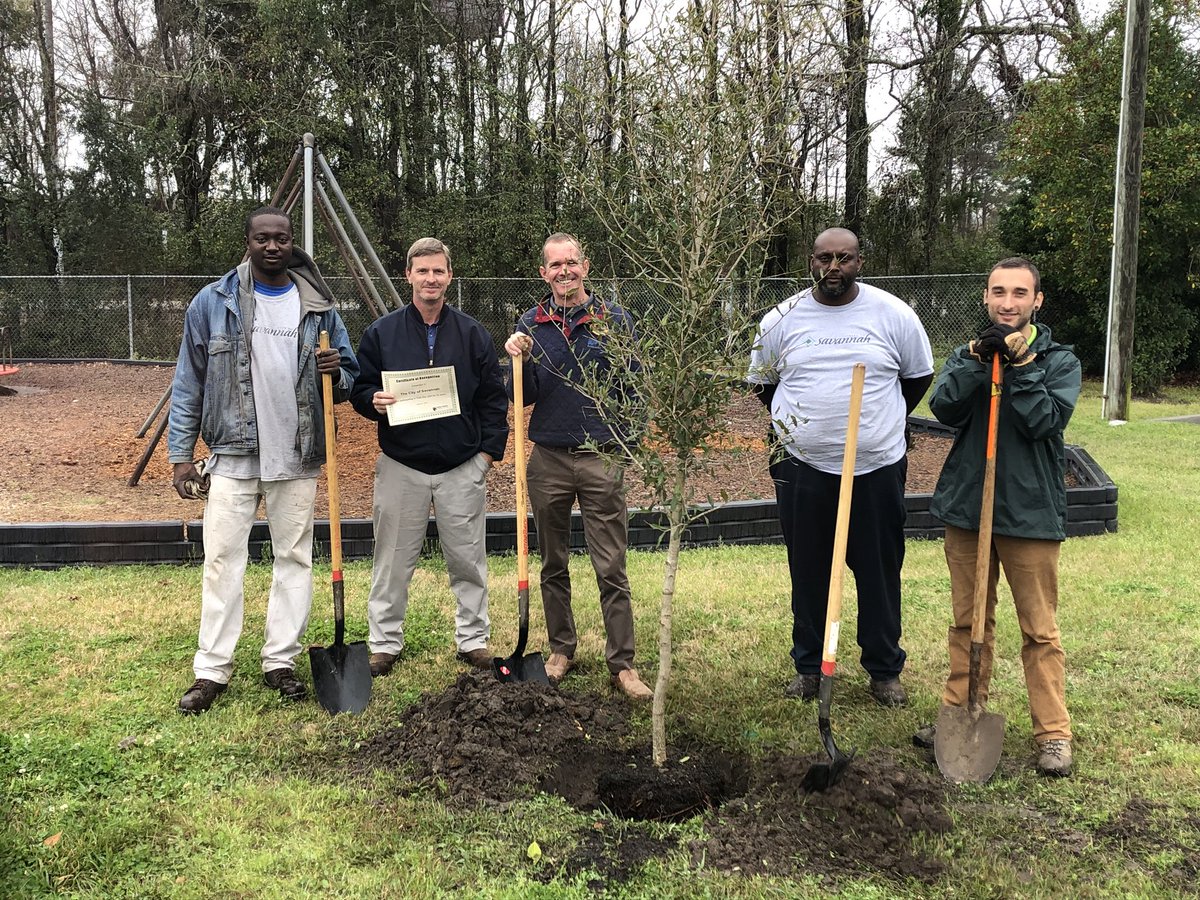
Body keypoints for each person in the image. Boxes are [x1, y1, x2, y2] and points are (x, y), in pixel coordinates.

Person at [169, 206, 358, 714]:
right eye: (262, 239)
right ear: (248, 242)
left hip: (297, 454)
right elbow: (188, 383)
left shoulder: (318, 306)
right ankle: (212, 671)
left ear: (292, 242)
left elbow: (350, 379)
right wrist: (181, 456)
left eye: (281, 239)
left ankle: (281, 661)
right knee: (221, 560)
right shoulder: (213, 302)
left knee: (293, 558)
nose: (272, 247)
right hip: (232, 453)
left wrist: (335, 372)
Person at [747, 227, 933, 707]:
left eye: (844, 258)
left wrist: (880, 424)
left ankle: (884, 669)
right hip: (802, 466)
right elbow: (763, 384)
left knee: (878, 569)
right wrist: (806, 426)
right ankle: (810, 666)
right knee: (807, 568)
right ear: (811, 261)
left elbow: (917, 378)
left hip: (875, 467)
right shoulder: (781, 318)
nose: (834, 267)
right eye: (825, 258)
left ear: (859, 262)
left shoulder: (893, 314)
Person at [916, 257, 1080, 777]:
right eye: (997, 292)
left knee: (1039, 629)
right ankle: (959, 712)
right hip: (969, 507)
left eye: (1018, 293)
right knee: (967, 620)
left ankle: (1053, 734)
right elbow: (944, 408)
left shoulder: (1061, 362)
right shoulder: (968, 355)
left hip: (1029, 513)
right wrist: (973, 360)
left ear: (1037, 301)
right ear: (985, 298)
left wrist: (1024, 365)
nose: (1007, 303)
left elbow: (1043, 423)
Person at [503, 233, 652, 701]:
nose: (564, 271)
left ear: (584, 266)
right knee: (553, 562)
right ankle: (560, 649)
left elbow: (635, 385)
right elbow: (516, 395)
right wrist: (517, 360)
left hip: (600, 457)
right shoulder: (530, 324)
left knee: (611, 565)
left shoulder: (613, 320)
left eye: (571, 263)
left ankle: (622, 664)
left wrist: (626, 443)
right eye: (555, 265)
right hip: (547, 459)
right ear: (543, 273)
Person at [351, 237, 509, 677]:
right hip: (403, 466)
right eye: (422, 271)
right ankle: (383, 642)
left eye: (438, 271)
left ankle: (473, 639)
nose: (431, 279)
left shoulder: (473, 333)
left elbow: (494, 399)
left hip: (461, 467)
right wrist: (372, 401)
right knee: (392, 560)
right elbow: (360, 388)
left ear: (449, 277)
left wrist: (486, 457)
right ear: (408, 276)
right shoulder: (381, 333)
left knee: (468, 559)